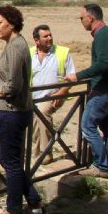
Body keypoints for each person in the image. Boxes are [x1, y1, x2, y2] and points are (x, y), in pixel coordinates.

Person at [0, 5, 45, 214]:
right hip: (16, 110)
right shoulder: (15, 44)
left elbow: (13, 86)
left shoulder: (15, 47)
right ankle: (35, 201)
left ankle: (14, 211)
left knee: (9, 160)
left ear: (11, 22)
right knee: (10, 159)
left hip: (12, 111)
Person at [64, 3, 108, 178]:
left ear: (90, 18)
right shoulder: (102, 34)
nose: (81, 21)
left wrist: (79, 75)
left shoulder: (102, 35)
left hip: (102, 90)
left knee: (87, 125)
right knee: (105, 126)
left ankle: (102, 166)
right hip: (103, 89)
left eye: (81, 18)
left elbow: (104, 64)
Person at [30, 25, 75, 164]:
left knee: (42, 113)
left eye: (50, 35)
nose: (50, 38)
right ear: (36, 40)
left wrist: (61, 93)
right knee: (35, 122)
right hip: (33, 96)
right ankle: (36, 153)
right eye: (45, 36)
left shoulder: (62, 52)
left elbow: (72, 77)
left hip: (54, 95)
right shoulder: (30, 53)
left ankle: (45, 153)